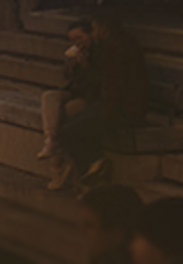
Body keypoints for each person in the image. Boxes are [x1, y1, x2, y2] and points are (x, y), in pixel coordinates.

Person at [52, 11, 148, 190]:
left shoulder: (114, 48)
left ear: (103, 28)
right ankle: (92, 169)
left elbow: (113, 87)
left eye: (94, 29)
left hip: (122, 109)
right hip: (117, 104)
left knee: (69, 131)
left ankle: (95, 166)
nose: (94, 33)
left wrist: (101, 111)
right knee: (72, 122)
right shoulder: (116, 45)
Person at [38, 19, 98, 163]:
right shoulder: (77, 52)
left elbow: (97, 81)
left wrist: (85, 65)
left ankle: (63, 163)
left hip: (93, 96)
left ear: (90, 34)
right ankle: (51, 139)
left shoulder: (99, 52)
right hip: (77, 91)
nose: (77, 42)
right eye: (73, 40)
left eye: (80, 38)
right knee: (49, 97)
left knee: (68, 111)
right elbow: (68, 78)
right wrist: (72, 65)